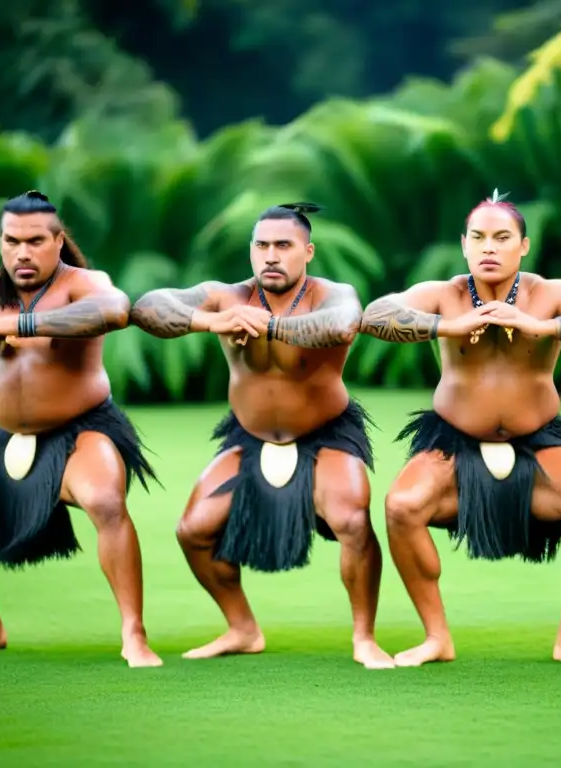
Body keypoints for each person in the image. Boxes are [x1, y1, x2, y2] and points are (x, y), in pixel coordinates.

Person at [358, 190, 561, 667]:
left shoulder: (550, 294)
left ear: (523, 246)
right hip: (453, 438)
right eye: (479, 238)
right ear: (464, 244)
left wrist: (541, 327)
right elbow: (374, 315)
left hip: (540, 439)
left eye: (502, 237)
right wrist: (447, 326)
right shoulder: (444, 294)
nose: (489, 247)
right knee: (402, 506)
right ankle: (436, 637)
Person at [129, 202, 393, 669]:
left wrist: (266, 324)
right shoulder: (224, 297)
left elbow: (340, 324)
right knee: (193, 530)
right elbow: (147, 307)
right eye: (262, 245)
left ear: (307, 251)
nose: (271, 255)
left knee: (351, 521)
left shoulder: (332, 293)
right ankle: (242, 628)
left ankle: (364, 637)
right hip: (248, 436)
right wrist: (209, 321)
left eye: (283, 246)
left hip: (326, 433)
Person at [0, 191, 162, 667]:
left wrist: (27, 322)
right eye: (11, 241)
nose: (22, 252)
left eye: (34, 241)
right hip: (7, 436)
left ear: (57, 240)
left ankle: (134, 634)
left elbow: (114, 310)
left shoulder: (83, 284)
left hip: (83, 429)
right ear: (1, 242)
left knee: (105, 502)